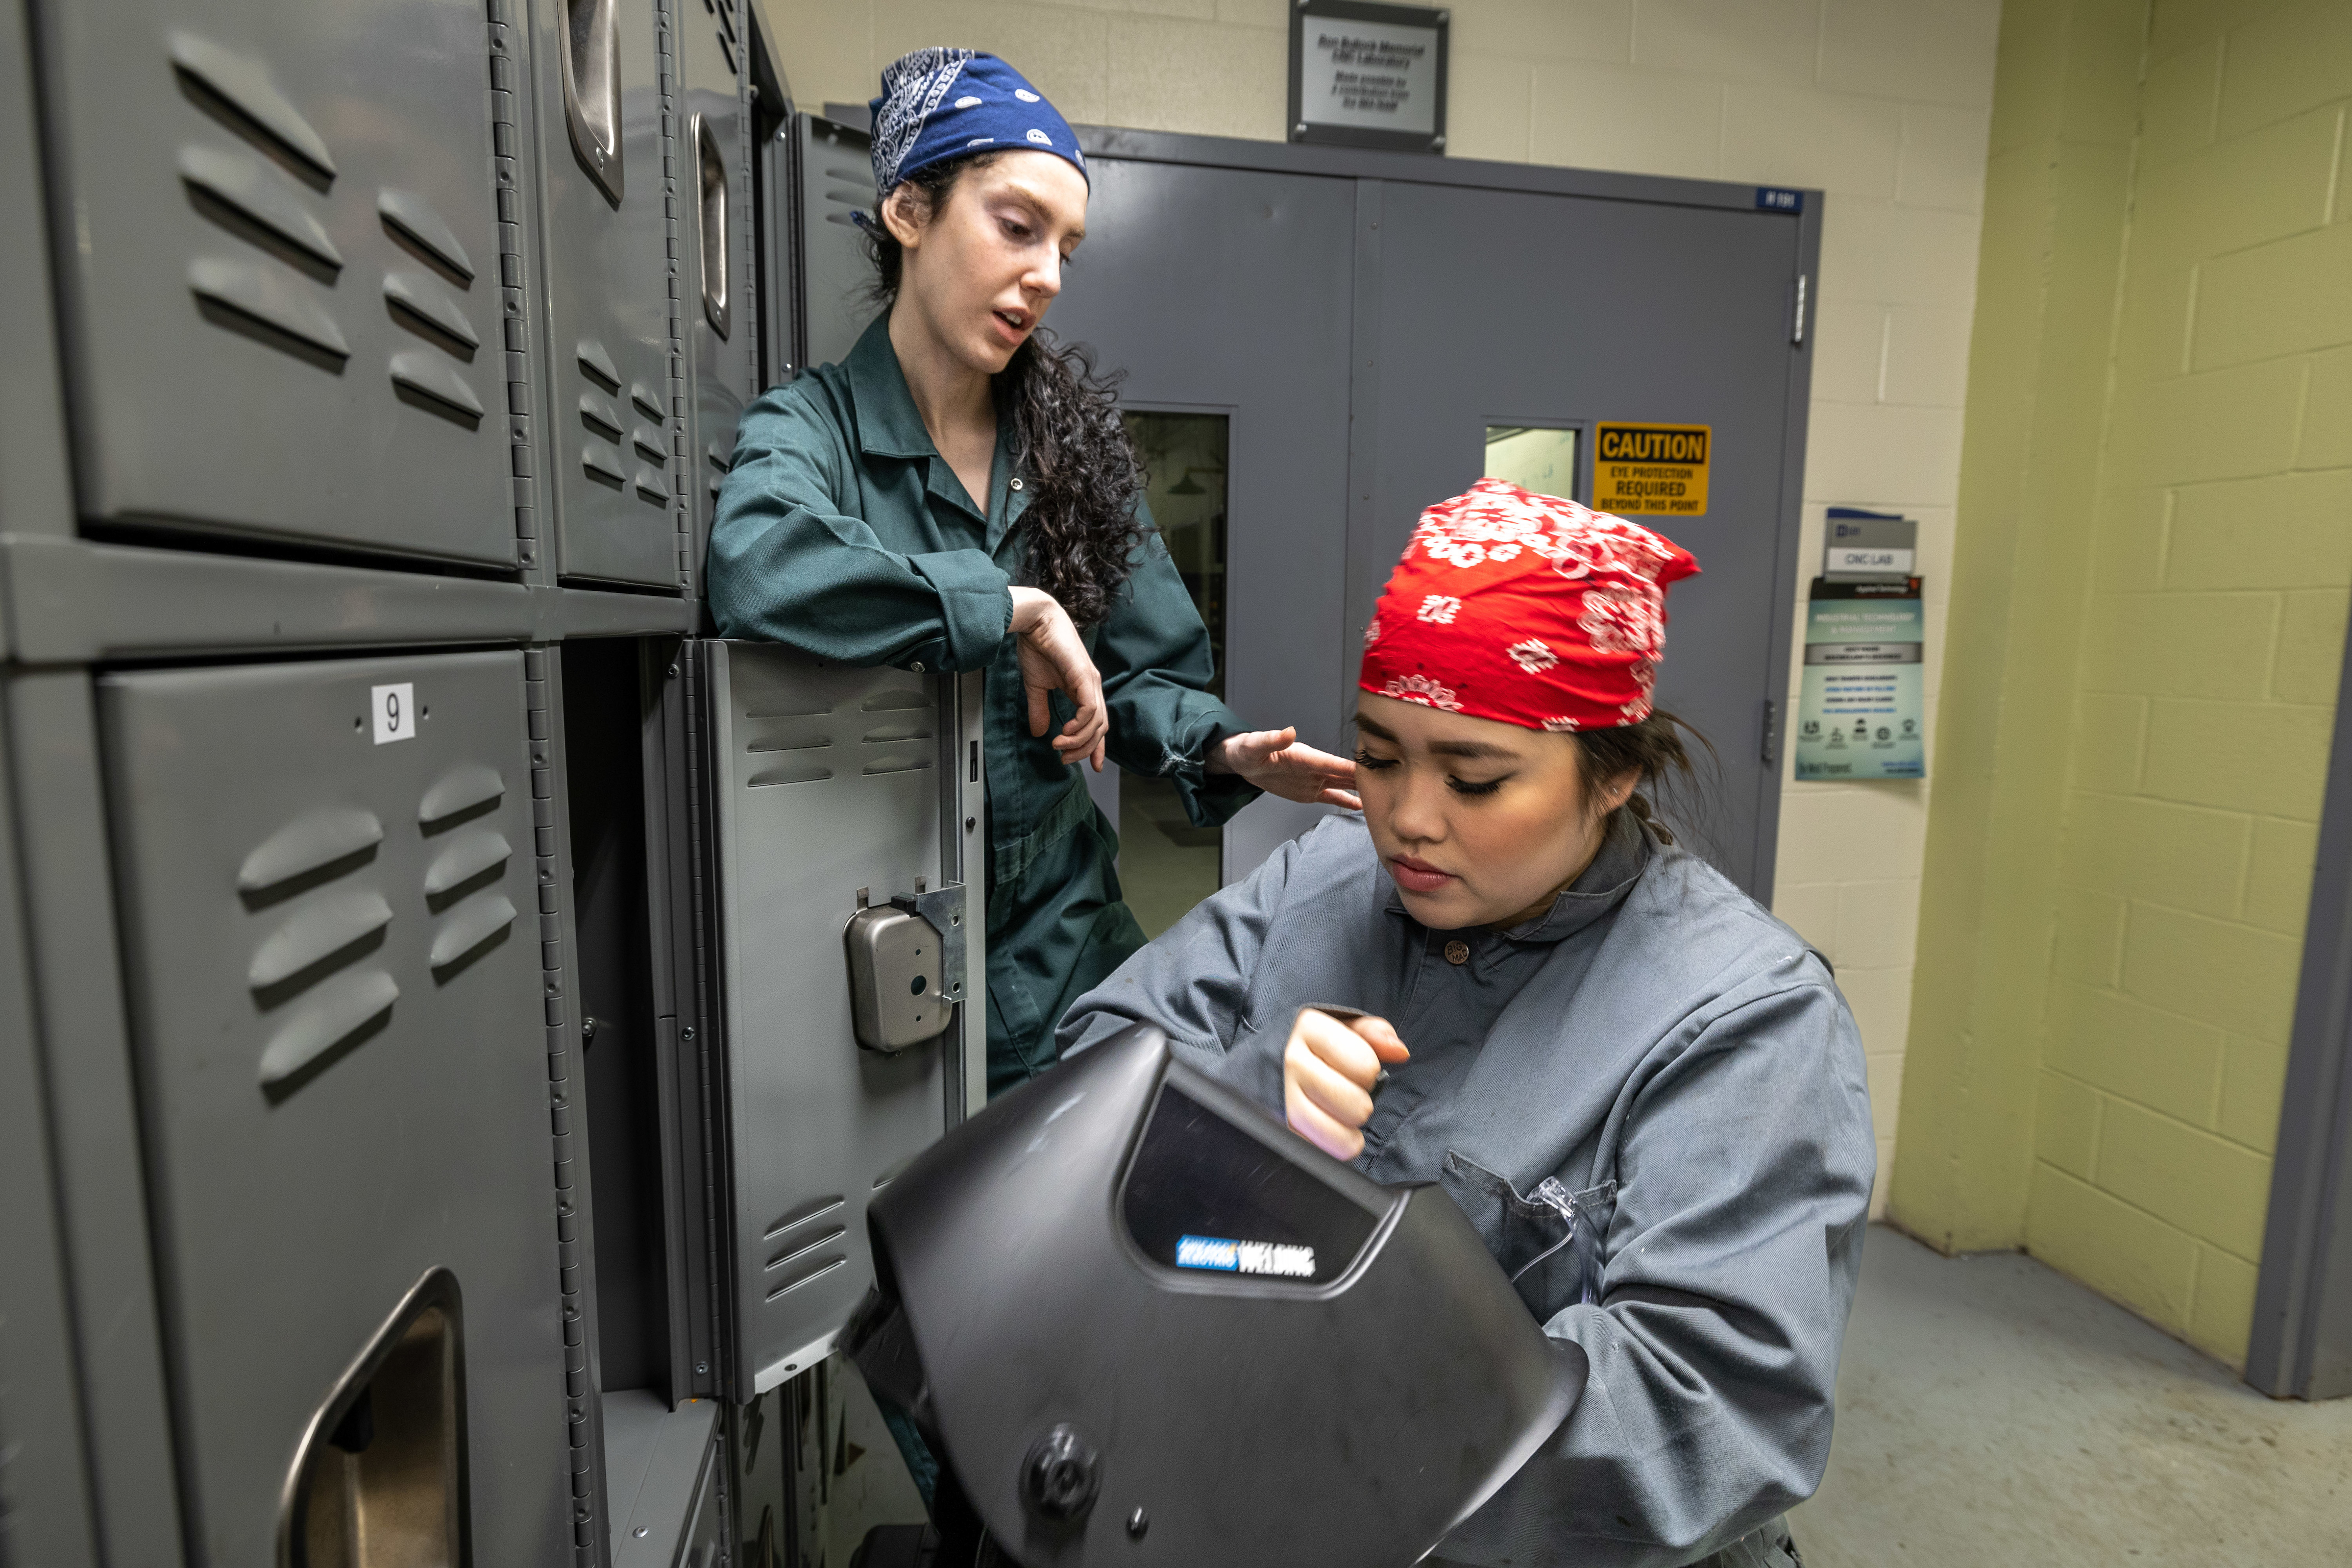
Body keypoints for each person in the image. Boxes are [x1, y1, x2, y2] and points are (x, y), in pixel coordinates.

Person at [1060, 480, 1876, 1568]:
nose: (1407, 819)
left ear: (1615, 775)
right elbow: (1085, 1079)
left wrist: (1320, 1447)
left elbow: (1704, 1412)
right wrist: (1236, 1108)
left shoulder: (1744, 1018)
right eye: (1384, 756)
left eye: (1477, 779)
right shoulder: (1324, 878)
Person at [707, 48, 1354, 1100]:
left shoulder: (1073, 457)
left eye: (1067, 247)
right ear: (909, 212)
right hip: (878, 969)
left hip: (1070, 956)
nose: (1048, 274)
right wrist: (1009, 605)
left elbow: (1144, 679)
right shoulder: (812, 427)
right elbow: (761, 563)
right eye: (1017, 227)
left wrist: (1222, 748)